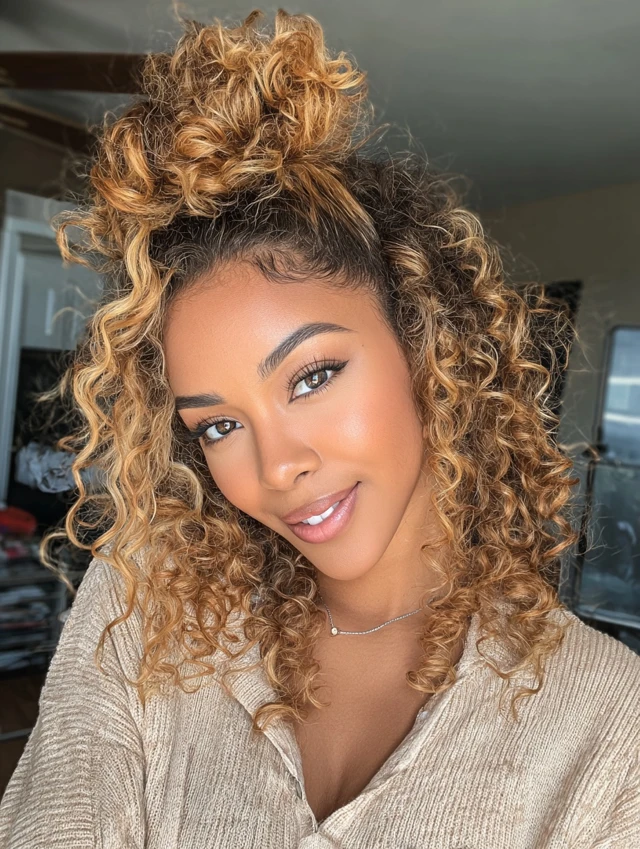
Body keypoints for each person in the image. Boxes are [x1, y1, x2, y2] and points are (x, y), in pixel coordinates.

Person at [0, 9, 638, 849]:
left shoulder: (608, 728)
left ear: (424, 346)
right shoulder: (144, 609)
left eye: (312, 376)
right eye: (218, 424)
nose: (278, 465)